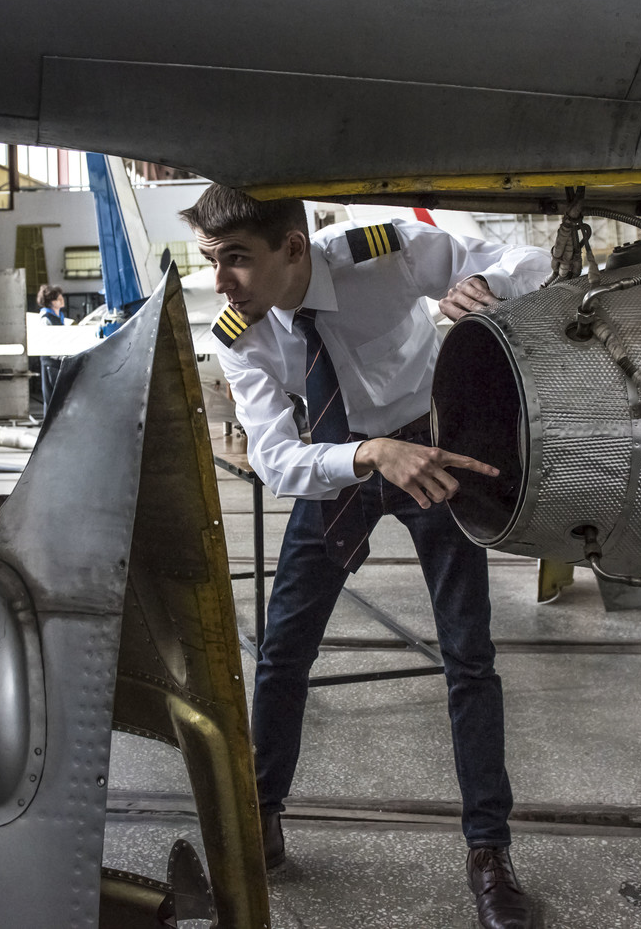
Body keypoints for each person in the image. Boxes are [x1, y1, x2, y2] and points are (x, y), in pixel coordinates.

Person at [183, 185, 551, 929]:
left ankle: (489, 853)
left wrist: (489, 287)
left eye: (236, 260)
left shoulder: (381, 254)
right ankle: (262, 820)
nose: (220, 282)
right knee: (284, 653)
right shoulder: (240, 332)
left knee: (468, 657)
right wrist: (370, 455)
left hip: (430, 451)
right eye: (212, 260)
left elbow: (531, 260)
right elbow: (276, 459)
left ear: (293, 248)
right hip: (342, 463)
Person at [35, 283, 68, 409]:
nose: (61, 300)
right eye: (58, 299)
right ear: (50, 302)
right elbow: (47, 342)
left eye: (61, 297)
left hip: (59, 361)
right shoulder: (46, 319)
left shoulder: (59, 317)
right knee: (52, 399)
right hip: (51, 362)